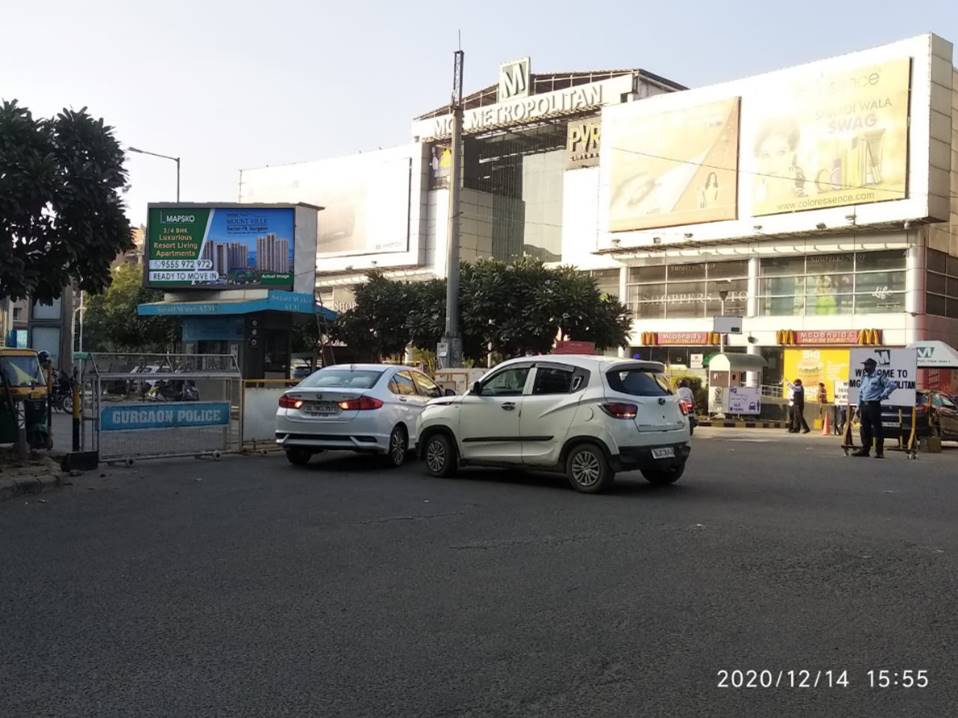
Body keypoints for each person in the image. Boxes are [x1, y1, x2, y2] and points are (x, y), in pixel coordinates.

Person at [852, 357, 897, 458]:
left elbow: (892, 385)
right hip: (864, 405)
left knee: (877, 429)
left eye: (867, 365)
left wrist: (882, 395)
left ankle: (879, 451)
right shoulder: (864, 377)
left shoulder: (879, 376)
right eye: (865, 365)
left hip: (874, 405)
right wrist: (858, 407)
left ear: (873, 366)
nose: (865, 367)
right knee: (864, 428)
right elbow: (861, 392)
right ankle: (865, 449)